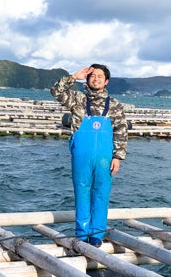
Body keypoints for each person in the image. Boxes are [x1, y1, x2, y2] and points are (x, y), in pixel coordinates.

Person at [51, 64, 128, 246]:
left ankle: (97, 235)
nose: (96, 79)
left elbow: (121, 131)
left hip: (105, 158)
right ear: (87, 79)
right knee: (81, 192)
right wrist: (73, 77)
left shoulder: (115, 105)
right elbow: (56, 91)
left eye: (100, 76)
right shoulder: (77, 99)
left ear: (106, 81)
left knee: (101, 193)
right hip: (81, 156)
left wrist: (118, 157)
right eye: (92, 76)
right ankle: (81, 234)